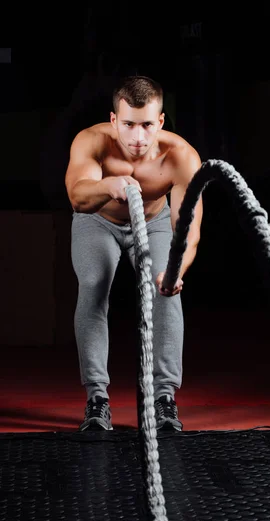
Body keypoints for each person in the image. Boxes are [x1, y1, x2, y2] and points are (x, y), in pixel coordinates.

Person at [65, 74, 203, 433]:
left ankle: (164, 399)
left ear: (159, 121)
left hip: (155, 223)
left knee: (166, 291)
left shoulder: (181, 156)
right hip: (98, 220)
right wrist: (108, 185)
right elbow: (78, 198)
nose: (138, 137)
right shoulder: (92, 141)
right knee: (93, 285)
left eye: (146, 125)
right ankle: (97, 399)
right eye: (128, 125)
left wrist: (175, 271)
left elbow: (188, 230)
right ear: (114, 121)